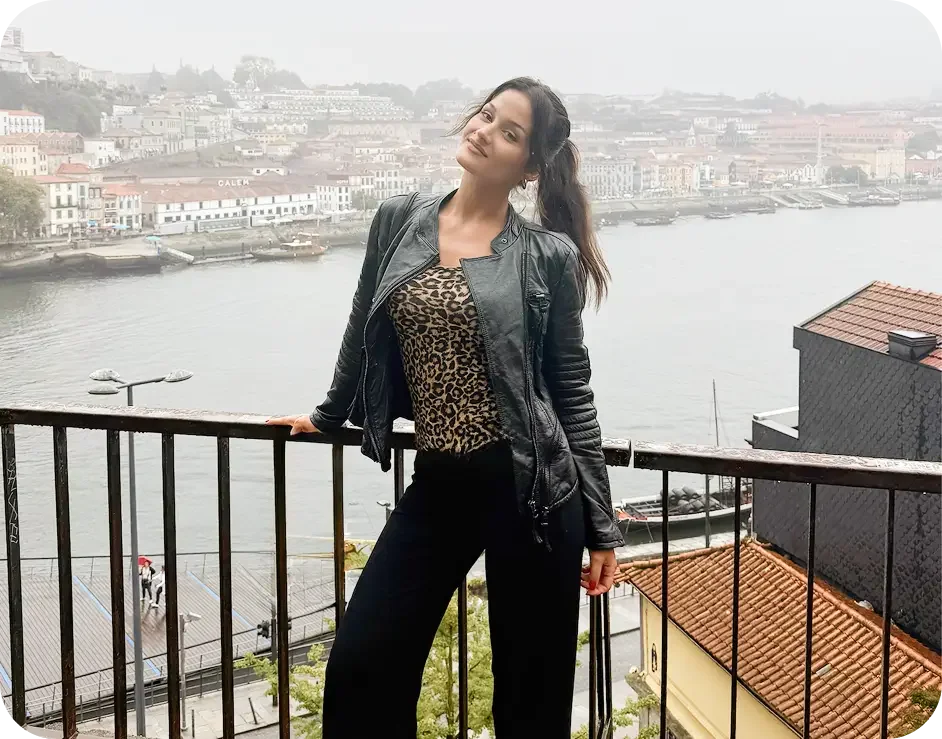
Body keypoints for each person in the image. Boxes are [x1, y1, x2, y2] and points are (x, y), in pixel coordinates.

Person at [267, 76, 624, 738]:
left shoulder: (546, 255)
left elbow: (571, 390)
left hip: (535, 492)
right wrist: (326, 414)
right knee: (361, 668)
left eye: (509, 131)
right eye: (487, 115)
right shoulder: (398, 221)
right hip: (440, 484)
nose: (484, 130)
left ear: (530, 168)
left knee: (529, 703)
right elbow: (360, 329)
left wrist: (601, 527)